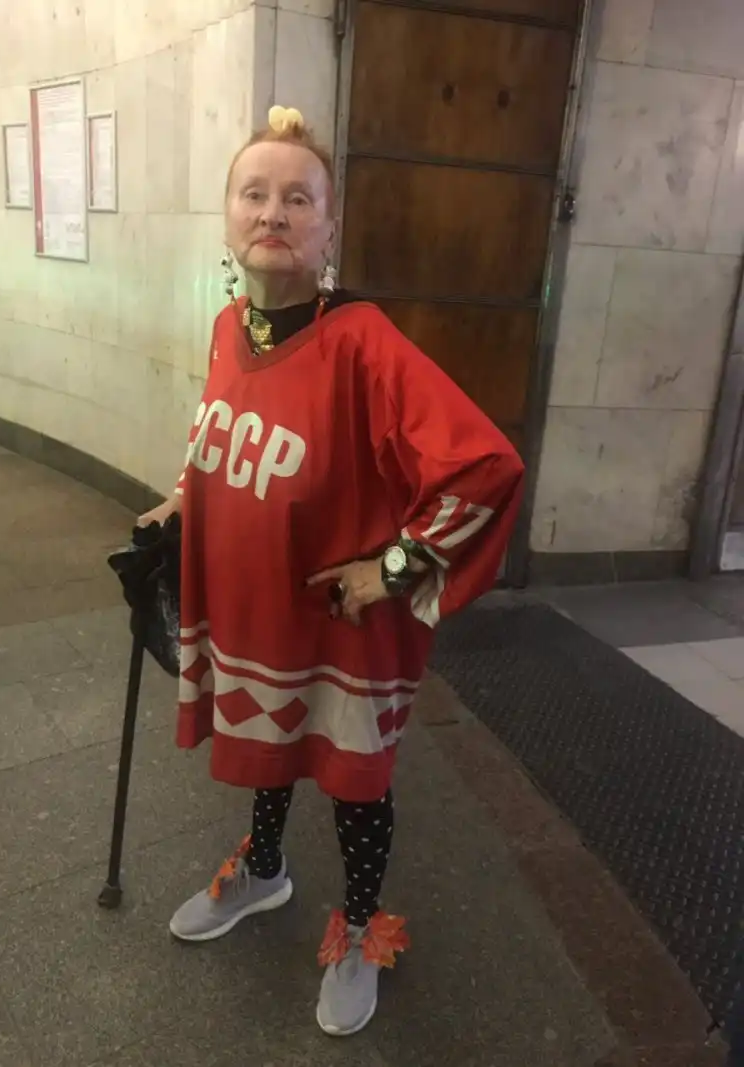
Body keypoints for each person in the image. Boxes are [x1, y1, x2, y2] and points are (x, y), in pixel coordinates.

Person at [139, 104, 525, 1037]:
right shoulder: (230, 326)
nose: (273, 212)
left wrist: (393, 566)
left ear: (328, 228)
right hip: (259, 610)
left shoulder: (363, 340)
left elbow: (485, 465)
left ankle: (357, 927)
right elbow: (222, 431)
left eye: (298, 199)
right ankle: (265, 870)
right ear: (228, 215)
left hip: (344, 624)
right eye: (254, 193)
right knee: (274, 744)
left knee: (354, 781)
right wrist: (182, 498)